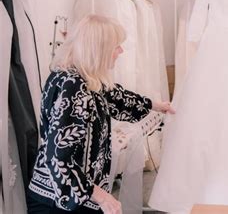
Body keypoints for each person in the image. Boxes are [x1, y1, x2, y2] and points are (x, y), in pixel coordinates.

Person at [26, 14, 175, 214]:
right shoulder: (74, 87)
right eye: (116, 47)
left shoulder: (81, 77)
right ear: (98, 50)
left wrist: (156, 105)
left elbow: (116, 97)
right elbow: (58, 157)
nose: (120, 51)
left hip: (72, 194)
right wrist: (101, 196)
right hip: (59, 201)